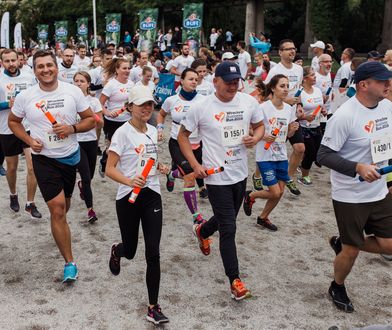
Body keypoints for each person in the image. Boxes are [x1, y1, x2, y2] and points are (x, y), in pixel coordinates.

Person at [177, 62, 265, 300]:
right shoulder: (201, 106)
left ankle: (202, 231)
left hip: (240, 173)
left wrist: (254, 139)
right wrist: (195, 166)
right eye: (228, 82)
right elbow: (182, 136)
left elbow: (260, 126)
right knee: (229, 227)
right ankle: (234, 280)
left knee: (227, 219)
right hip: (215, 177)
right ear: (215, 81)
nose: (233, 86)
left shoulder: (248, 103)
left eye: (236, 81)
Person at [9, 49, 95, 282]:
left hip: (69, 157)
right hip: (43, 159)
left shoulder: (72, 91)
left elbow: (91, 120)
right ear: (34, 70)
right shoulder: (27, 96)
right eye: (40, 66)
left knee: (64, 206)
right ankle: (70, 262)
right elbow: (13, 122)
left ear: (56, 67)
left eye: (49, 65)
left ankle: (60, 225)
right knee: (57, 209)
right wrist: (28, 141)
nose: (46, 70)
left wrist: (72, 128)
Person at [317, 61, 392, 312]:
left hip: (379, 190)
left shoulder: (387, 107)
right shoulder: (345, 116)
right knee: (351, 251)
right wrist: (358, 167)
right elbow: (324, 155)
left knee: (389, 244)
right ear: (363, 85)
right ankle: (337, 285)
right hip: (350, 195)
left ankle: (344, 241)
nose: (388, 84)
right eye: (382, 80)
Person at [106, 85, 169, 325]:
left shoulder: (153, 131)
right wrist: (129, 180)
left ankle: (153, 307)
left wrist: (160, 167)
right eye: (141, 104)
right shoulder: (122, 134)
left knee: (153, 252)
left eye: (150, 104)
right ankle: (118, 249)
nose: (147, 108)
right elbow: (109, 169)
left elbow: (149, 159)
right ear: (129, 107)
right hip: (127, 196)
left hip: (151, 193)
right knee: (131, 251)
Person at [243, 74, 299, 230]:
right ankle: (250, 195)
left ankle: (263, 218)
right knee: (274, 192)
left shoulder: (289, 109)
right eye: (282, 86)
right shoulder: (263, 108)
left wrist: (292, 131)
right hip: (265, 156)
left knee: (280, 192)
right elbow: (249, 128)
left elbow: (286, 135)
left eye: (287, 86)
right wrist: (262, 135)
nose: (286, 89)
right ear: (273, 88)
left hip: (281, 155)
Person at [157, 68, 208, 221]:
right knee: (190, 176)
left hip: (197, 143)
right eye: (190, 79)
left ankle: (171, 175)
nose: (194, 81)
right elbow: (161, 114)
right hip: (177, 143)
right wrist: (160, 129)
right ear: (182, 81)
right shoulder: (172, 100)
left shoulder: (204, 100)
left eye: (196, 79)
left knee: (196, 173)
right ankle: (196, 216)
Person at [0, 49, 41, 218]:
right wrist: (6, 104)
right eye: (6, 61)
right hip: (6, 128)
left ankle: (30, 203)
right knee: (12, 167)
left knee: (33, 167)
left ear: (19, 60)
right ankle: (13, 194)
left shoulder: (29, 78)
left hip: (28, 127)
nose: (11, 64)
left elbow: (38, 98)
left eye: (13, 60)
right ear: (1, 62)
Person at [264, 39, 304, 196]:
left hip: (292, 116)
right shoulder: (275, 71)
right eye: (288, 49)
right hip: (277, 116)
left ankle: (289, 177)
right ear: (280, 52)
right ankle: (258, 175)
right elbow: (265, 94)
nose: (292, 51)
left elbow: (298, 90)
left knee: (300, 148)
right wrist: (284, 100)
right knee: (270, 151)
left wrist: (299, 105)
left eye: (293, 49)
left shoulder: (299, 69)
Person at [74, 71, 103, 223]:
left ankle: (82, 186)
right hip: (76, 142)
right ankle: (90, 210)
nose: (78, 83)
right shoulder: (70, 101)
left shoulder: (94, 102)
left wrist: (91, 114)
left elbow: (101, 123)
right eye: (76, 81)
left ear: (88, 84)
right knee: (86, 176)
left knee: (89, 177)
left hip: (91, 141)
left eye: (82, 81)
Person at [99, 58, 134, 177]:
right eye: (124, 68)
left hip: (127, 121)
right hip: (112, 122)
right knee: (111, 148)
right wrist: (108, 113)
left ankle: (124, 171)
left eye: (129, 68)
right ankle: (104, 161)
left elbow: (133, 101)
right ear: (117, 70)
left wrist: (131, 108)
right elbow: (100, 103)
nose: (127, 71)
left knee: (127, 146)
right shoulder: (111, 85)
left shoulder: (131, 84)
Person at [297, 66, 325, 185]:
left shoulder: (317, 90)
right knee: (311, 153)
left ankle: (298, 163)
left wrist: (323, 110)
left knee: (318, 152)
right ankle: (304, 176)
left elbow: (320, 106)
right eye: (312, 75)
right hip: (304, 127)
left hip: (316, 126)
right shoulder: (300, 93)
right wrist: (304, 117)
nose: (315, 77)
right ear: (304, 78)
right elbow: (295, 114)